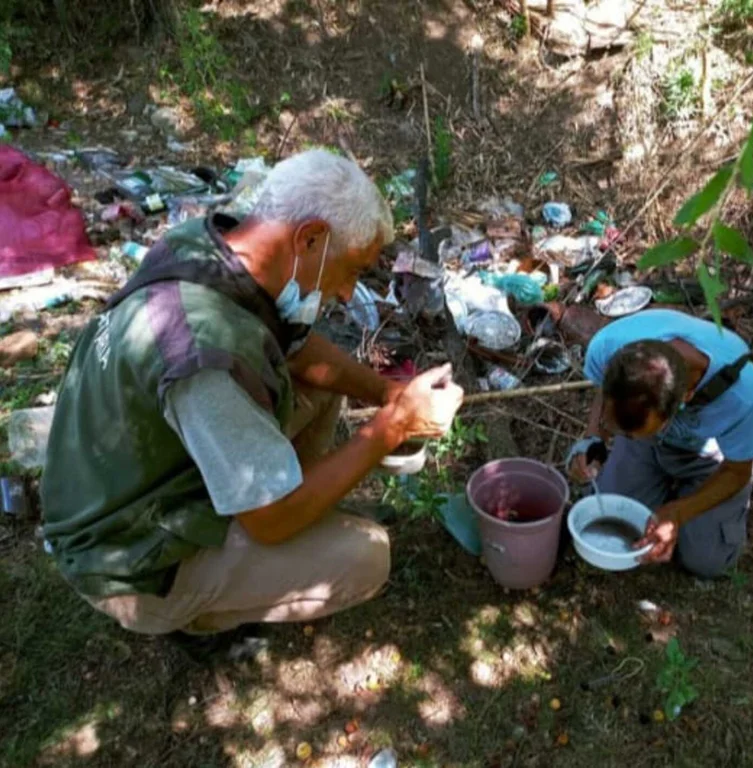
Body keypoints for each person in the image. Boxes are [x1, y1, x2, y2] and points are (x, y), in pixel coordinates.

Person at [40, 148, 464, 637]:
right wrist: (391, 428)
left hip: (122, 478)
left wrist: (387, 392)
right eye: (351, 269)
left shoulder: (206, 247)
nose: (349, 293)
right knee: (367, 555)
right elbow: (269, 521)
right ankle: (198, 619)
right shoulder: (206, 359)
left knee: (322, 387)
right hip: (126, 556)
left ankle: (288, 509)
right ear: (310, 239)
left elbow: (300, 352)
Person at [567, 309, 753, 577]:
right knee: (605, 513)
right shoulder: (607, 346)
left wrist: (678, 512)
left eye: (631, 433)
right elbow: (604, 392)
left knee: (706, 560)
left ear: (685, 399)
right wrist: (594, 438)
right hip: (647, 444)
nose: (621, 436)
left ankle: (681, 493)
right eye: (623, 432)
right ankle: (648, 461)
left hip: (711, 457)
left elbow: (737, 471)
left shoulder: (741, 395)